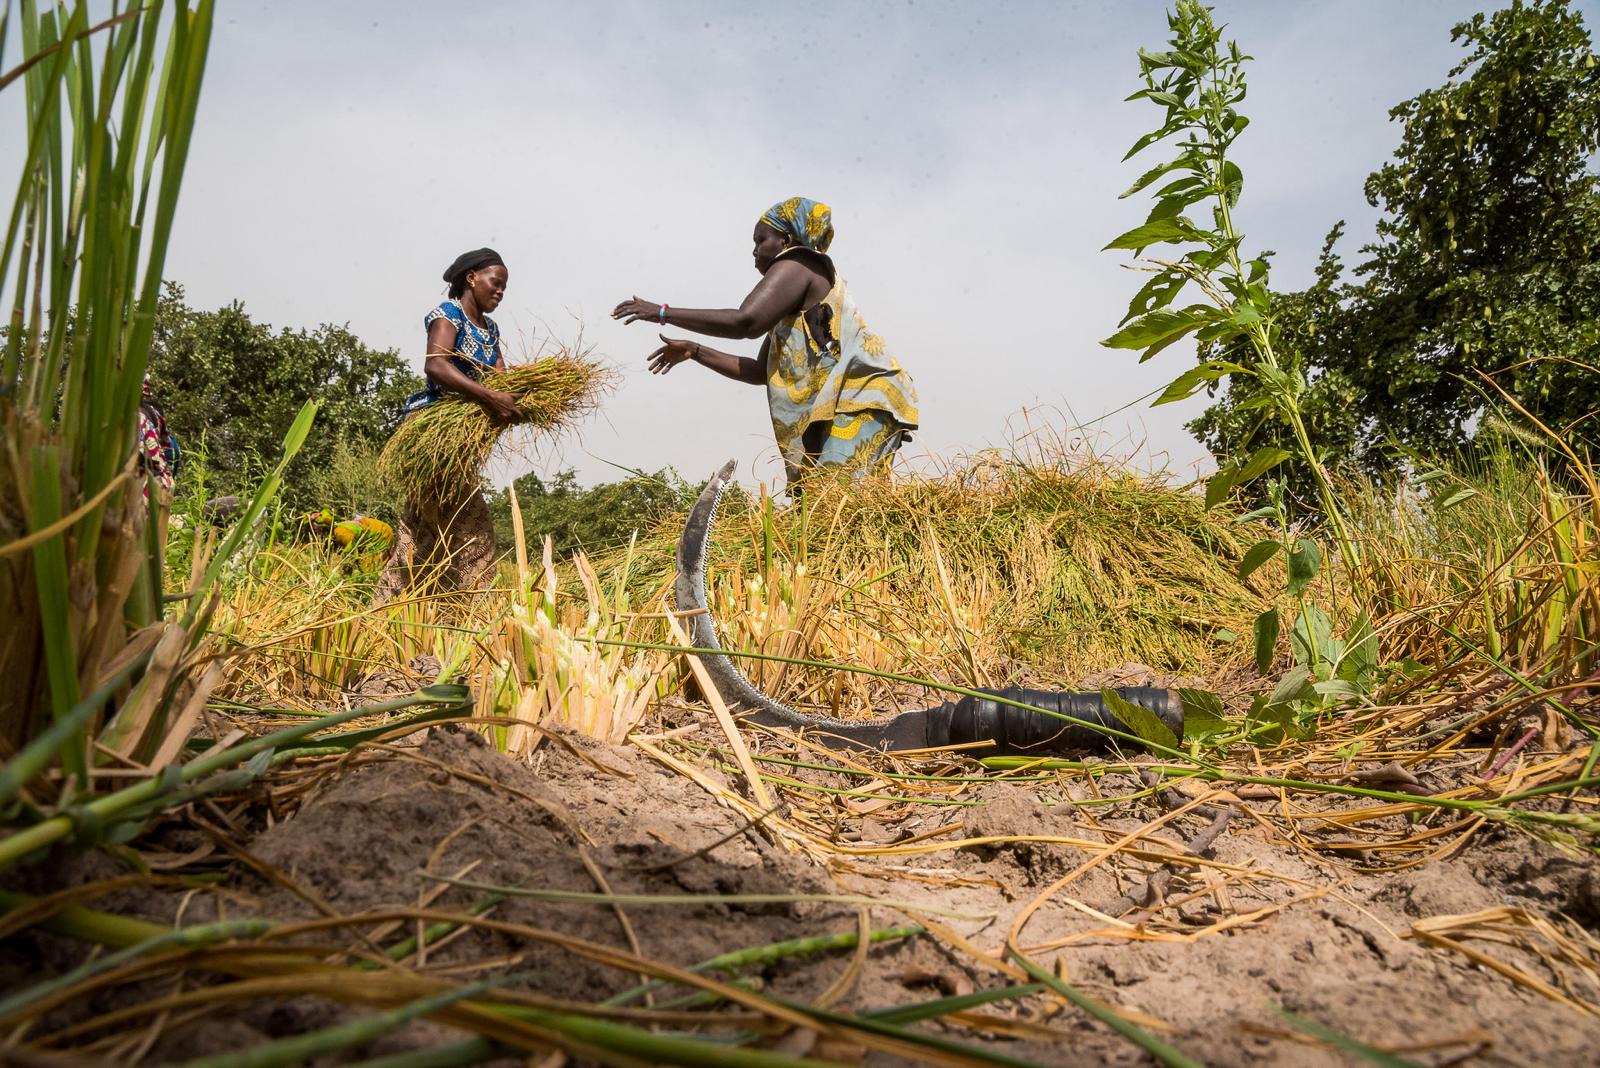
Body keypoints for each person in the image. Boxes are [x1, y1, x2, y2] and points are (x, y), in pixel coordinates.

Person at [613, 197, 917, 490]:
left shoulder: (799, 262)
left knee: (833, 499)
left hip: (860, 398)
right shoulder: (787, 314)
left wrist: (662, 312)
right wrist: (695, 350)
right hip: (846, 402)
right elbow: (761, 371)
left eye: (761, 241)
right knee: (819, 503)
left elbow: (746, 321)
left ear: (785, 241)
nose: (755, 252)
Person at [374, 248, 516, 603]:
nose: (499, 292)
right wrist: (489, 397)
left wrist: (516, 399)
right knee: (474, 532)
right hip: (433, 432)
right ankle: (478, 612)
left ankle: (390, 611)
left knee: (421, 531)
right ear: (472, 278)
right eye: (494, 283)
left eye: (504, 288)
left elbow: (500, 378)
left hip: (459, 438)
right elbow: (436, 365)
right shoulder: (448, 315)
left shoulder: (490, 328)